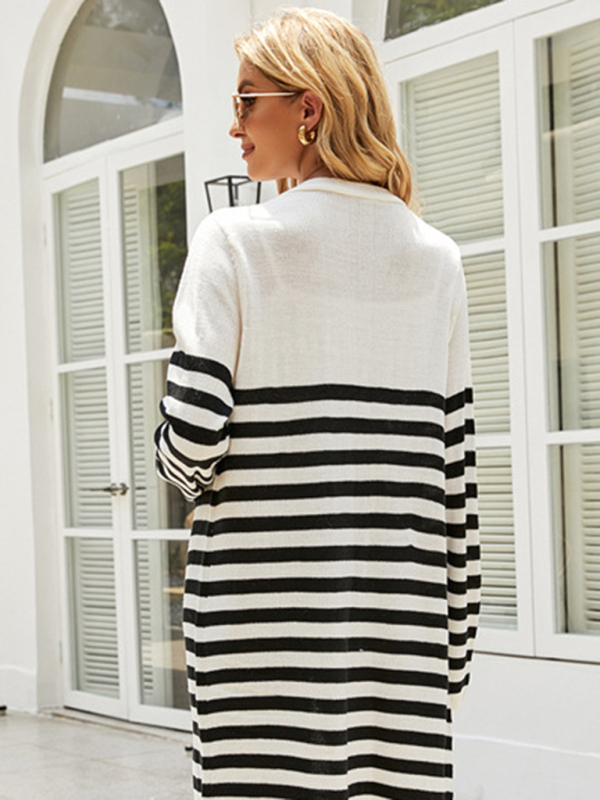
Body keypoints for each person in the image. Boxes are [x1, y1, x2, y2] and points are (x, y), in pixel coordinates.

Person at [155, 7, 480, 799]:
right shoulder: (436, 259)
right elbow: (455, 480)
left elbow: (190, 446)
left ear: (309, 108)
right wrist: (452, 654)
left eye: (246, 100)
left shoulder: (234, 241)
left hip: (258, 640)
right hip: (398, 644)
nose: (233, 126)